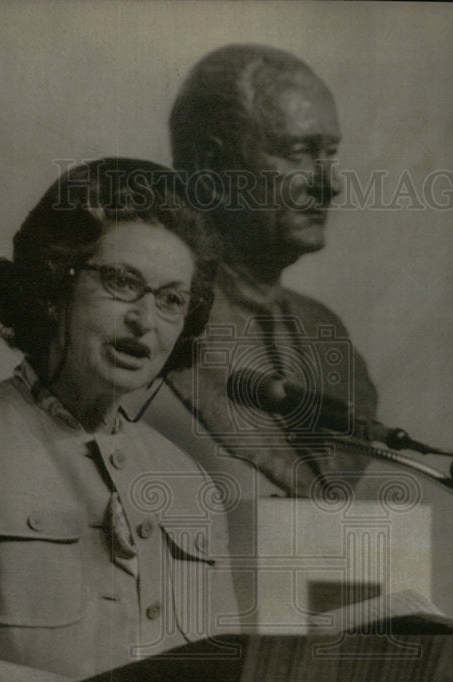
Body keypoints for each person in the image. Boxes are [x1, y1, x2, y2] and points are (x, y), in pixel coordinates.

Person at [0, 157, 238, 682]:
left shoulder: (191, 484)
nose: (145, 321)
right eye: (123, 283)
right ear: (55, 286)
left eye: (172, 300)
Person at [143, 44, 378, 497]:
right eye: (297, 152)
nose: (330, 184)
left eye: (330, 153)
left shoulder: (326, 333)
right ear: (211, 167)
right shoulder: (159, 324)